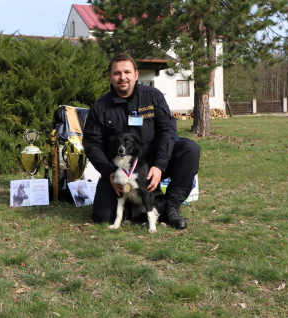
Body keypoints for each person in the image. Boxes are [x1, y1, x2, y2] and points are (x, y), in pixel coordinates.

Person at [83, 54, 200, 229]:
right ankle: (133, 207)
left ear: (136, 75)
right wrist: (110, 173)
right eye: (117, 73)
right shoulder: (100, 108)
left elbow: (168, 131)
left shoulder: (153, 97)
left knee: (189, 149)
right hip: (120, 170)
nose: (122, 77)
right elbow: (92, 144)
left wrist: (160, 165)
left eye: (127, 72)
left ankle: (170, 207)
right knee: (103, 217)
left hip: (152, 164)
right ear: (110, 77)